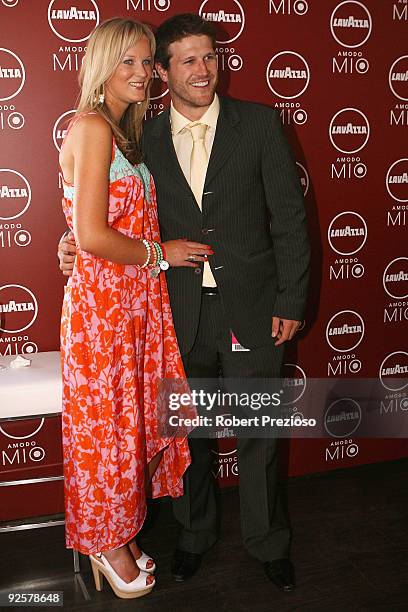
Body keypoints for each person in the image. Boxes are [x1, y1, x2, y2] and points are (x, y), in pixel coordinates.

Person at [59, 13, 310, 593]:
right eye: (185, 60)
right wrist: (71, 241)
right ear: (166, 72)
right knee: (188, 434)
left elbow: (292, 222)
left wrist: (291, 298)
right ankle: (193, 538)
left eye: (210, 56)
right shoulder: (136, 135)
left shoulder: (260, 124)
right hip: (172, 315)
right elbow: (102, 212)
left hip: (250, 309)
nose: (203, 69)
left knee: (258, 431)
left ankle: (269, 542)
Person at [58, 17, 212, 600]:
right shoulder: (93, 126)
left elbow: (81, 222)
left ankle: (116, 534)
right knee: (104, 431)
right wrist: (161, 254)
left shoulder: (126, 131)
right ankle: (102, 540)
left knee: (124, 429)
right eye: (128, 61)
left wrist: (72, 241)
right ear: (101, 66)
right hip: (103, 310)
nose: (142, 73)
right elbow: (94, 234)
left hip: (130, 306)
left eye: (147, 62)